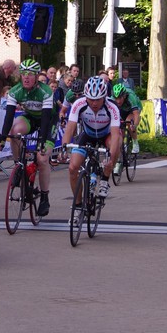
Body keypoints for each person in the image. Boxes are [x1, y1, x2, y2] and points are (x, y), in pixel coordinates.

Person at [60, 76, 122, 227]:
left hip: (106, 136)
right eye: (91, 99)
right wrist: (64, 148)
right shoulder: (79, 104)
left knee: (117, 142)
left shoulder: (112, 107)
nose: (94, 103)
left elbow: (115, 135)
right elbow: (70, 128)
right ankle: (78, 206)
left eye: (98, 99)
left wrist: (111, 158)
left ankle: (105, 180)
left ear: (104, 97)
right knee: (73, 168)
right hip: (87, 136)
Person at [0, 59, 56, 216]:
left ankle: (44, 198)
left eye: (30, 74)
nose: (26, 77)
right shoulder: (15, 91)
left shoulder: (46, 91)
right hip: (30, 118)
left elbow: (45, 119)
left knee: (42, 159)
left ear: (37, 77)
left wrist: (42, 141)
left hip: (48, 121)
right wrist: (2, 138)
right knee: (15, 130)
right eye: (23, 74)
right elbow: (8, 117)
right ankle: (19, 165)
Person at [110, 82, 142, 156]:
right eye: (116, 98)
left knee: (129, 122)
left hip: (133, 109)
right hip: (122, 109)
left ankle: (135, 143)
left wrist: (134, 125)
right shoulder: (112, 99)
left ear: (124, 96)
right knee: (120, 127)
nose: (118, 101)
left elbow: (136, 114)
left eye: (120, 98)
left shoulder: (131, 97)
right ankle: (122, 146)